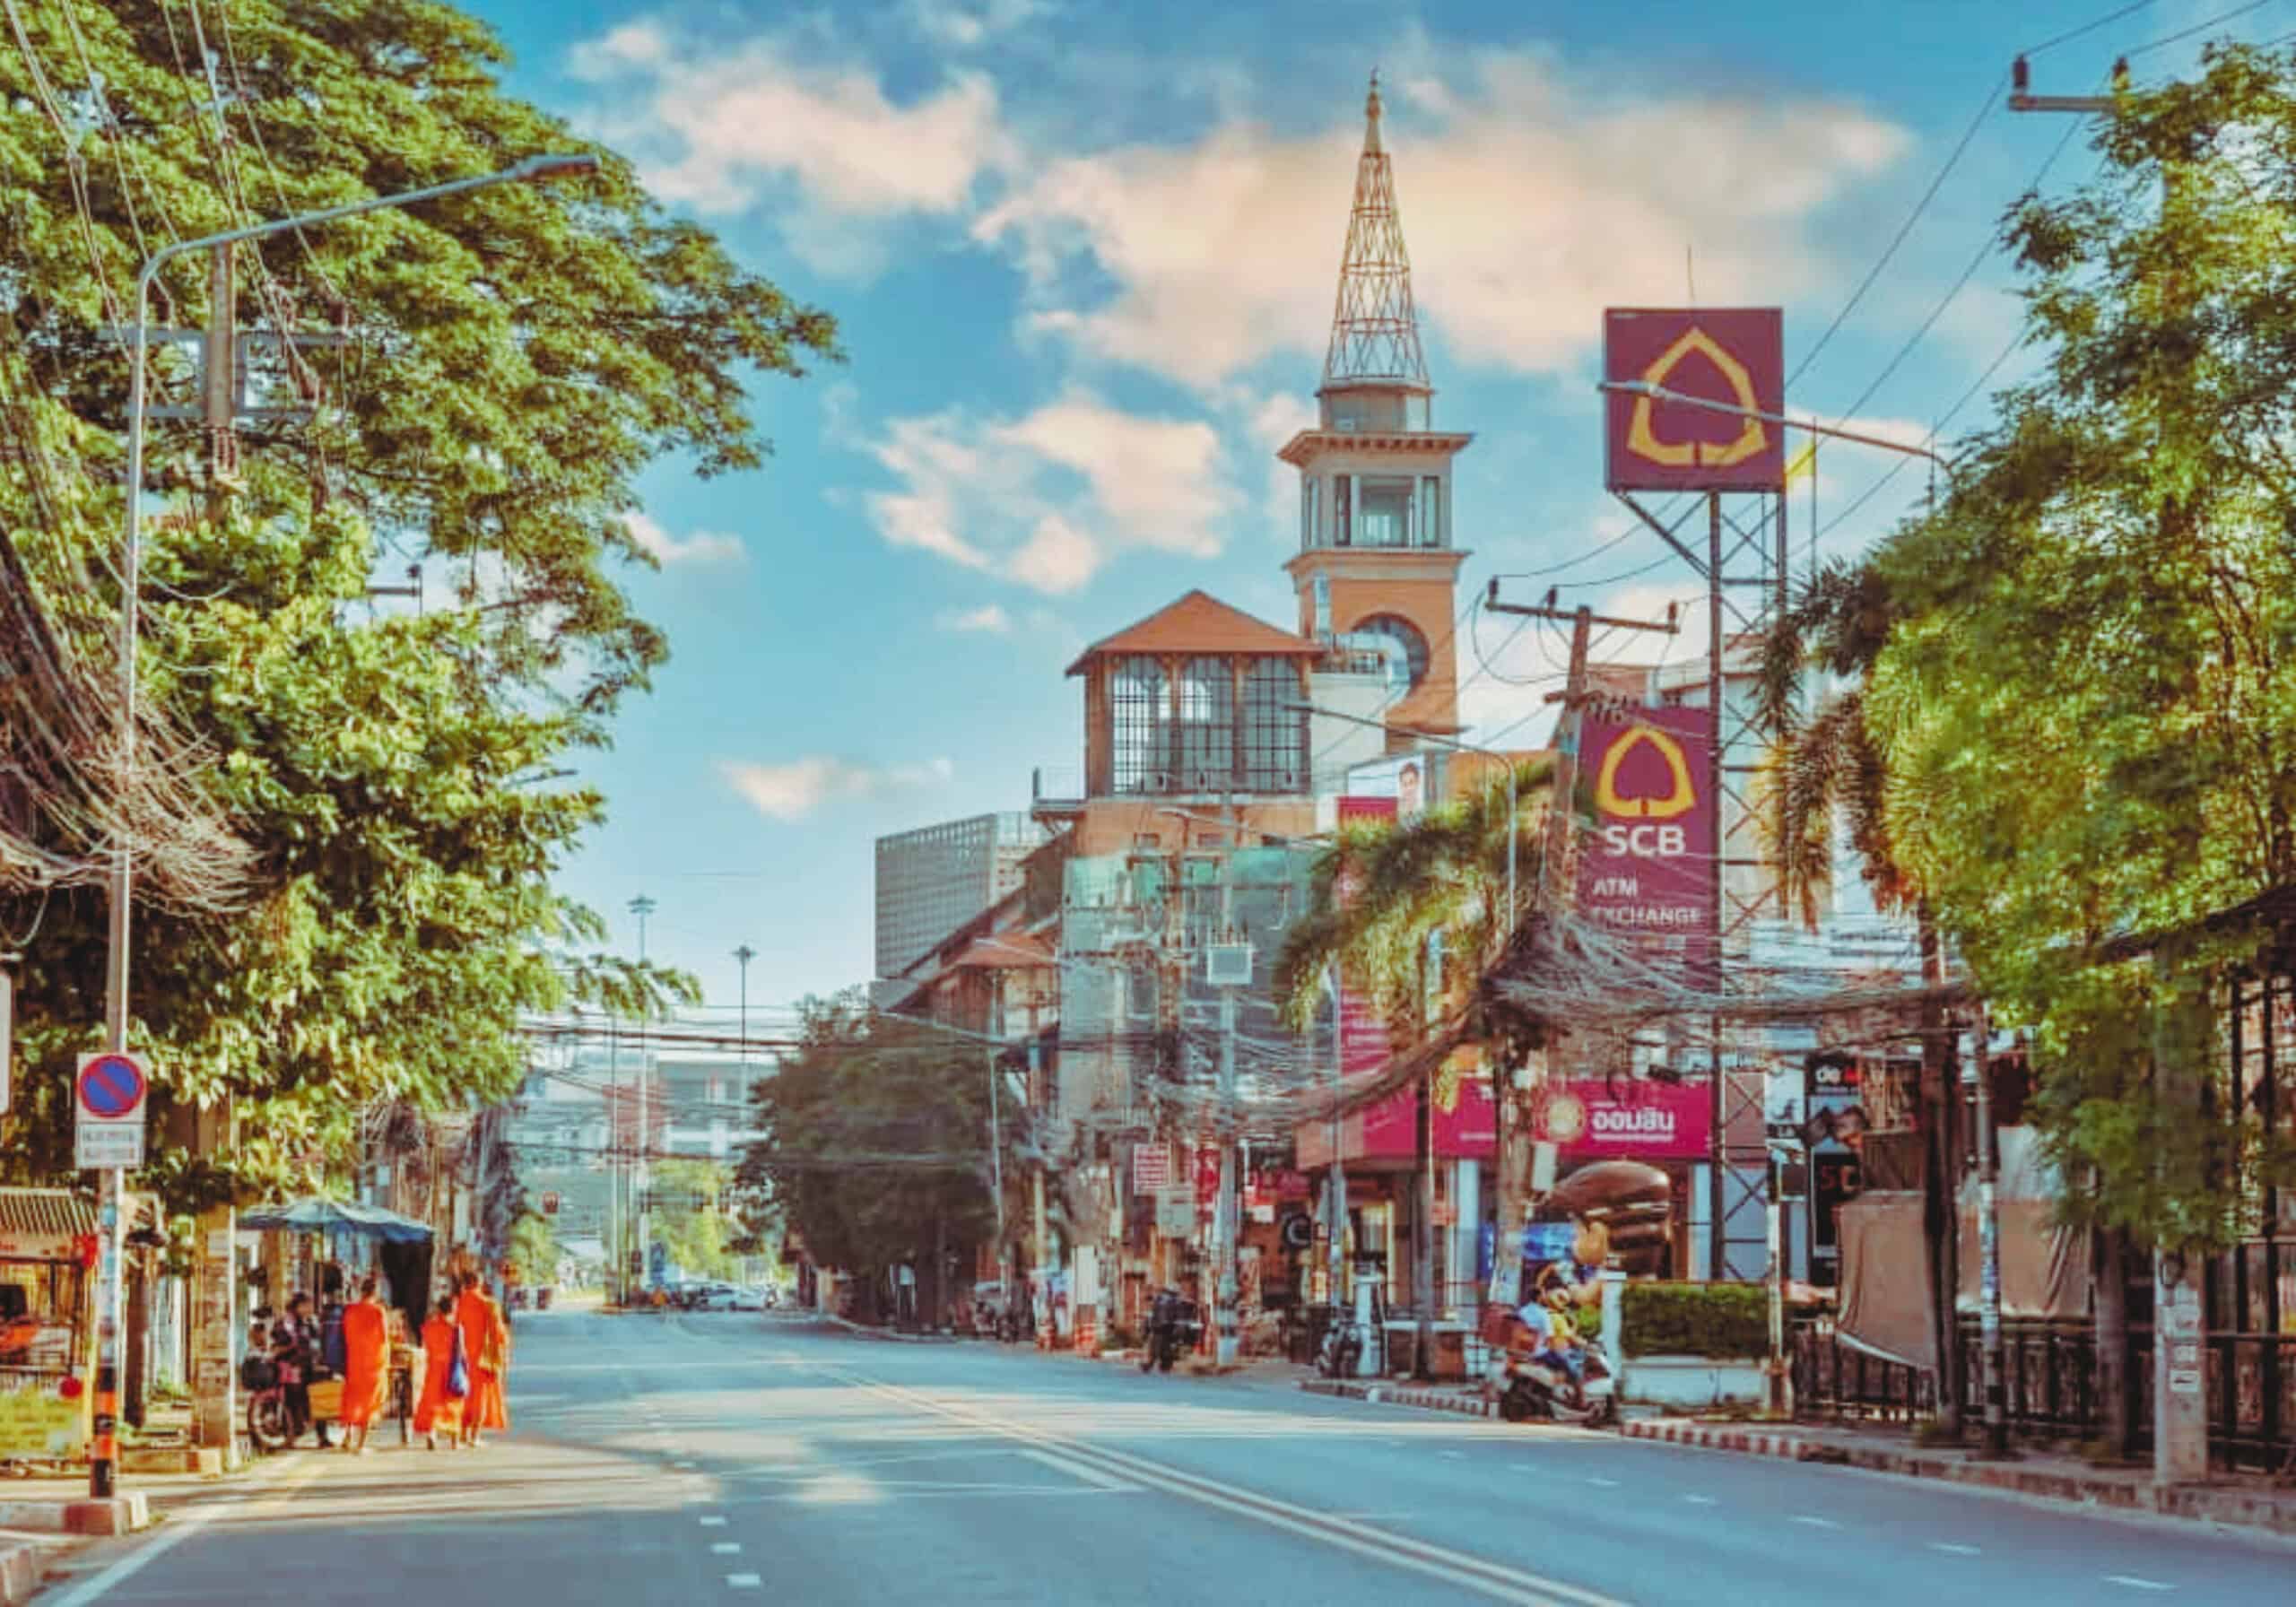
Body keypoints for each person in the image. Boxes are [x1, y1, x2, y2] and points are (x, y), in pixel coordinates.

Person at [1513, 1218, 1609, 1394]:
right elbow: (1580, 1299)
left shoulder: (1529, 1311)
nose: (1574, 1243)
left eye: (1579, 1236)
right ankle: (1579, 1395)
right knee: (1573, 1371)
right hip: (1546, 1352)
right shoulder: (1549, 1316)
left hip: (1538, 1352)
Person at [336, 1274, 392, 1455]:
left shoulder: (350, 1310)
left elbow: (345, 1335)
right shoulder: (378, 1311)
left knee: (353, 1399)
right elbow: (384, 1337)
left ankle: (347, 1438)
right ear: (375, 1292)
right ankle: (360, 1444)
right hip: (374, 1363)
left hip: (354, 1360)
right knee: (369, 1402)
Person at [455, 1270, 510, 1447]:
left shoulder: (459, 1303)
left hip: (462, 1357)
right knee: (480, 1397)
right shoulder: (489, 1304)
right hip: (483, 1358)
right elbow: (500, 1335)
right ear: (479, 1283)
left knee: (464, 1396)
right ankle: (474, 1436)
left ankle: (462, 1433)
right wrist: (504, 1353)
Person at [272, 1294, 330, 1449]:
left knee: (318, 1401)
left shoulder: (311, 1322)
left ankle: (322, 1437)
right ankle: (291, 1436)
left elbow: (317, 1340)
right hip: (292, 1368)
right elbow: (282, 1341)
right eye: (305, 1305)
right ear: (297, 1306)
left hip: (311, 1367)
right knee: (292, 1403)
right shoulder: (287, 1322)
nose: (309, 1309)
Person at [413, 1296, 467, 1451]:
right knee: (454, 1403)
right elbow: (462, 1352)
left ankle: (432, 1434)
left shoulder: (428, 1327)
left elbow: (425, 1347)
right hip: (452, 1368)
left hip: (434, 1368)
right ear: (453, 1310)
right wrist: (466, 1368)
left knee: (433, 1403)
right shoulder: (456, 1329)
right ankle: (454, 1442)